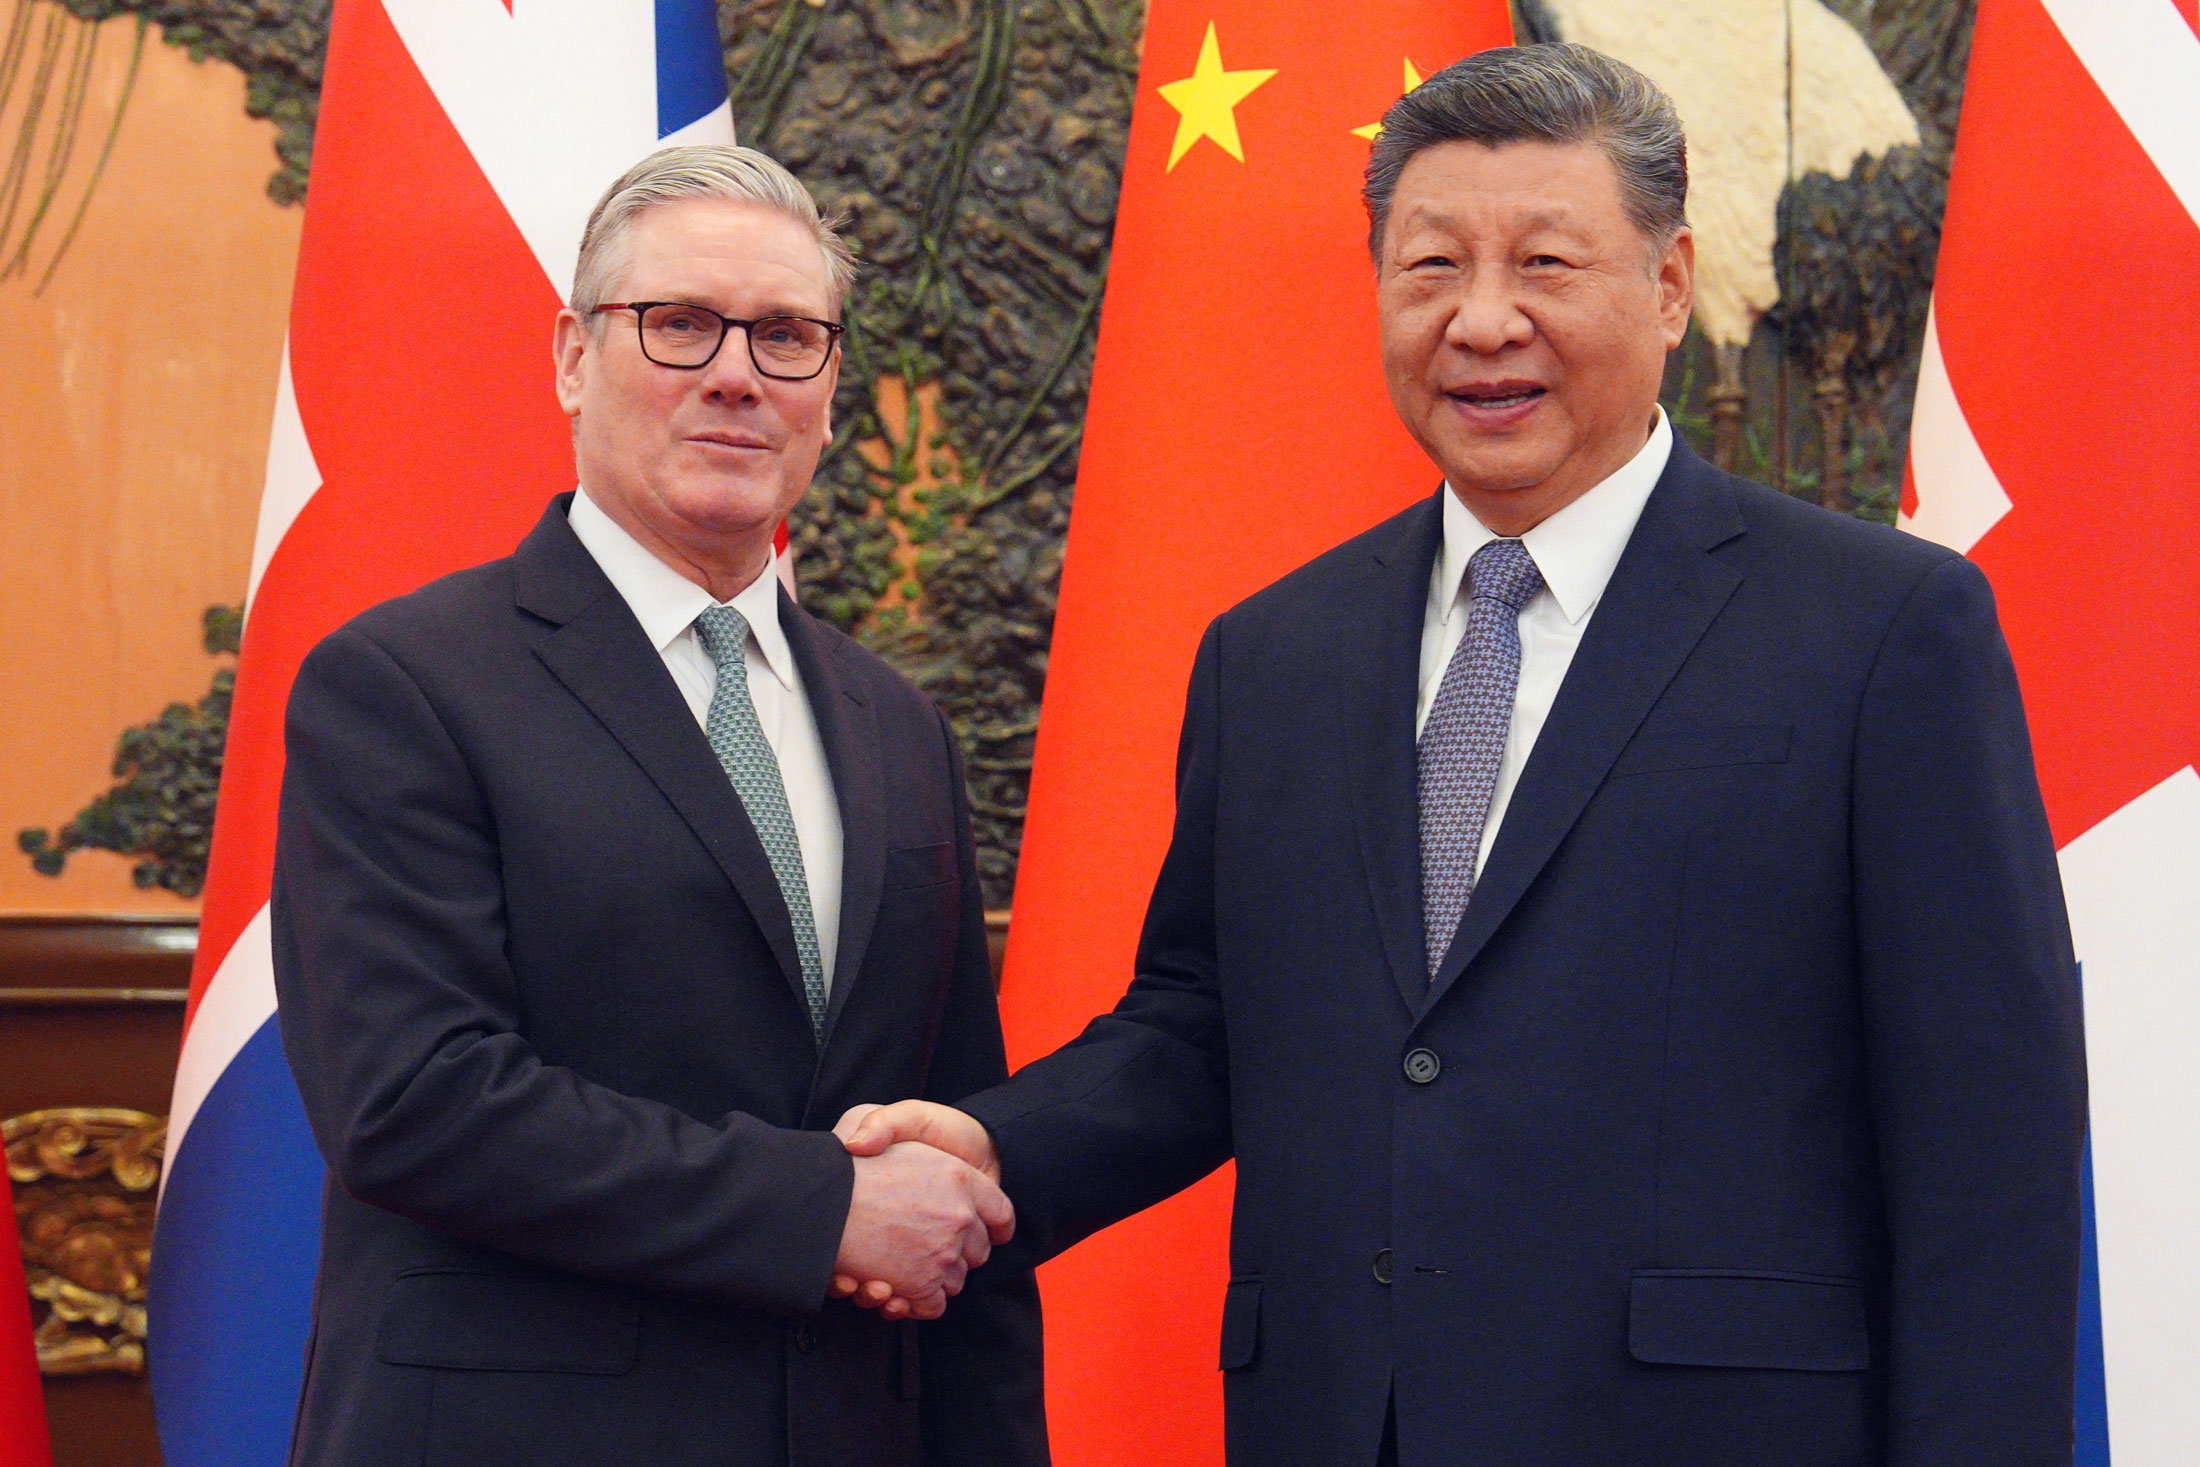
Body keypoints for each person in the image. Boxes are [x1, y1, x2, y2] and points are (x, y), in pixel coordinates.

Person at [836, 43, 2086, 1467]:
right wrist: (996, 1153)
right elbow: (1202, 1028)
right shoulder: (1275, 654)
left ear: (1670, 286)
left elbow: (1987, 1141)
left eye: (1547, 264)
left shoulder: (1880, 629)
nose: (1482, 322)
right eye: (1431, 268)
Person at [271, 145, 1046, 1467]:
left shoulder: (896, 727)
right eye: (681, 324)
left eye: (789, 336)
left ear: (828, 387)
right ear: (573, 356)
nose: (737, 373)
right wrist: (820, 1213)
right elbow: (414, 1100)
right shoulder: (400, 685)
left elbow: (950, 1151)